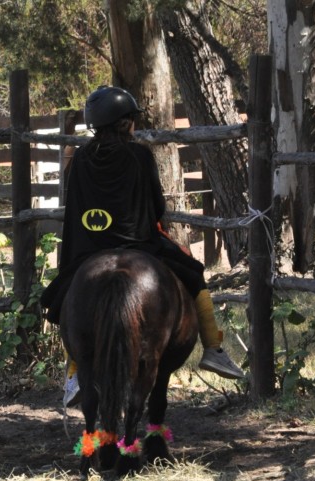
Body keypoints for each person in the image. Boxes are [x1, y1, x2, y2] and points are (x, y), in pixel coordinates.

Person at [41, 85, 245, 407]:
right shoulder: (139, 155)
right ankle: (213, 349)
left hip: (89, 248)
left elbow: (75, 207)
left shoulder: (79, 159)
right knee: (193, 273)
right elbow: (157, 206)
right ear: (125, 122)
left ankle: (75, 372)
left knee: (66, 295)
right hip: (139, 245)